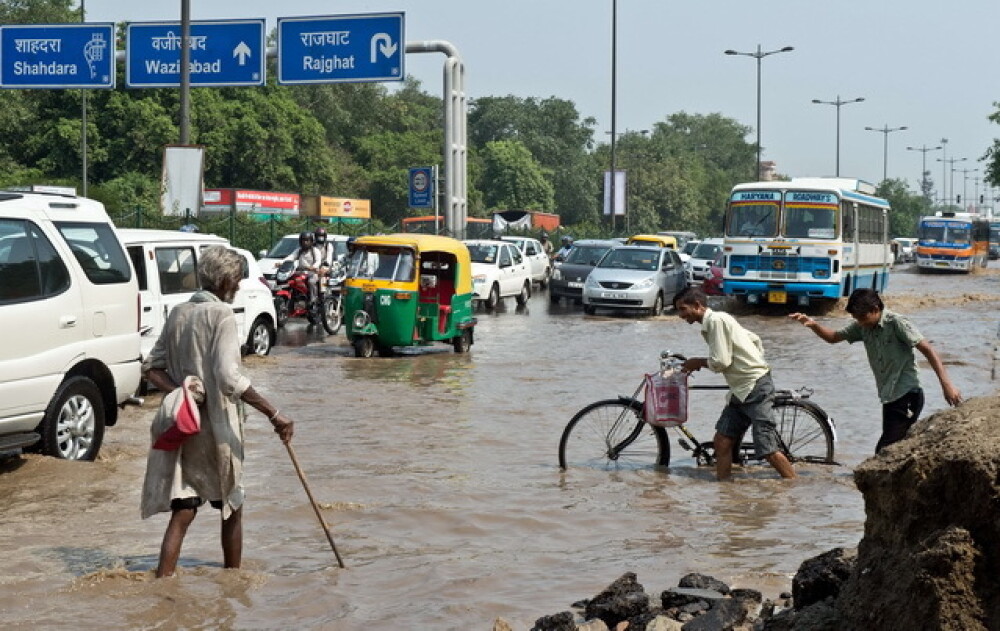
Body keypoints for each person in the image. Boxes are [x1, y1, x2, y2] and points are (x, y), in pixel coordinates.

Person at [141, 246, 294, 578]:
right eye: (237, 280)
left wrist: (182, 394)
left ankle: (163, 584)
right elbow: (228, 378)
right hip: (219, 430)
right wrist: (274, 412)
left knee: (183, 512)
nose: (238, 287)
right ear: (225, 280)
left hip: (185, 426)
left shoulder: (178, 312)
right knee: (232, 508)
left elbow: (151, 367)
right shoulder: (223, 314)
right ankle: (232, 584)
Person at [789, 288, 962, 453]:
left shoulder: (896, 323)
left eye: (863, 318)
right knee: (896, 446)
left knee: (884, 450)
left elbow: (928, 349)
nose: (860, 323)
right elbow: (833, 338)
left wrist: (947, 385)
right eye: (857, 319)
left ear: (875, 309)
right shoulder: (862, 327)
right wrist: (813, 325)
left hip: (907, 394)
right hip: (889, 397)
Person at [673, 286, 797, 481]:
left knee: (766, 449)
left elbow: (721, 361)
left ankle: (793, 487)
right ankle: (724, 491)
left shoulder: (715, 321)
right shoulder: (719, 319)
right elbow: (754, 339)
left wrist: (697, 362)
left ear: (697, 306)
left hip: (754, 387)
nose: (681, 315)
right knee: (722, 442)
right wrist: (752, 361)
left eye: (682, 309)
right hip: (740, 389)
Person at [292, 231, 323, 305]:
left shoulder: (315, 251)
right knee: (290, 281)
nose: (305, 242)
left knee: (311, 282)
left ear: (311, 241)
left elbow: (318, 261)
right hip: (300, 273)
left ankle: (313, 300)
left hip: (312, 273)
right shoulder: (298, 251)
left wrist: (313, 267)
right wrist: (281, 263)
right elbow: (291, 257)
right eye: (303, 240)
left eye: (307, 240)